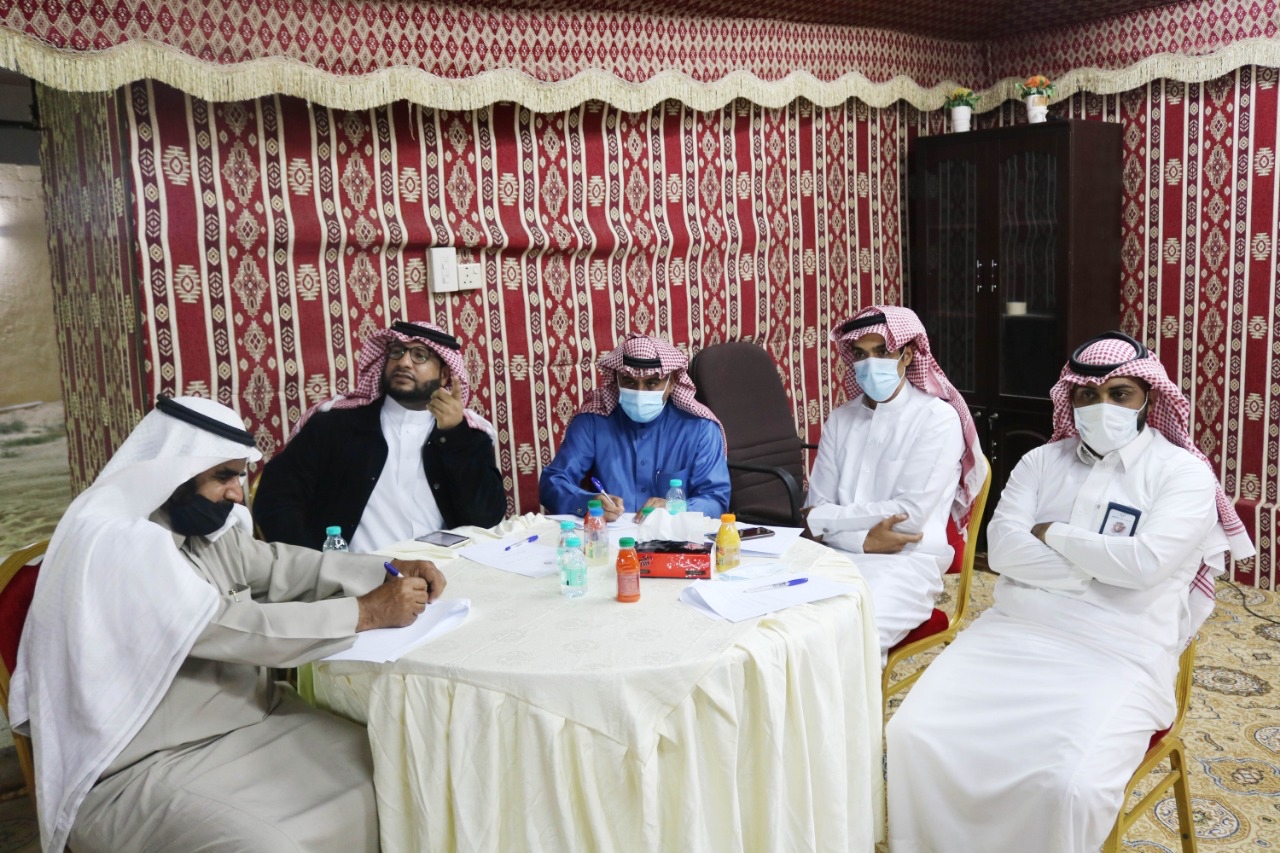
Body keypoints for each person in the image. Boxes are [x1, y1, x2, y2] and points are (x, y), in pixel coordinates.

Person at [8, 395, 448, 853]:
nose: (238, 493)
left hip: (253, 716)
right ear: (176, 472)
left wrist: (384, 570)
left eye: (239, 475)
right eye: (224, 476)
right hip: (146, 762)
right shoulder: (120, 543)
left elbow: (277, 566)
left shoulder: (198, 525)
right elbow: (233, 626)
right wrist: (368, 612)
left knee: (404, 770)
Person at [886, 331, 1255, 853]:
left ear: (1148, 397)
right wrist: (1096, 571)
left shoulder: (1184, 474)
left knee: (1068, 786)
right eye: (1088, 395)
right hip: (1011, 634)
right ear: (1071, 399)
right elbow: (1003, 550)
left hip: (1121, 652)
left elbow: (1146, 565)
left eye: (1119, 394)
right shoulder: (1041, 462)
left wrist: (1051, 533)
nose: (1103, 406)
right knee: (912, 736)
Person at [804, 305, 987, 658]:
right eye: (861, 354)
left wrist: (829, 522)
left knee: (848, 640)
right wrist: (862, 539)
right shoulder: (841, 419)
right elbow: (814, 513)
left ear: (907, 355)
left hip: (906, 563)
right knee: (785, 633)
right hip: (832, 556)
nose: (870, 364)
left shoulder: (937, 418)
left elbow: (908, 518)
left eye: (882, 352)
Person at [255, 320, 506, 552]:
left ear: (444, 375)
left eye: (420, 355)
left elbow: (485, 519)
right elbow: (276, 499)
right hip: (357, 574)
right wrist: (316, 564)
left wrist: (455, 436)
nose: (404, 362)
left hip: (444, 568)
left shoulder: (468, 435)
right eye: (397, 351)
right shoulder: (335, 425)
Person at [539, 332, 731, 521]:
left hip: (675, 537)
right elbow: (551, 483)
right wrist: (588, 502)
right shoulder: (592, 421)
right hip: (608, 536)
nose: (639, 392)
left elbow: (716, 499)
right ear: (617, 379)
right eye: (629, 382)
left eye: (651, 383)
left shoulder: (700, 428)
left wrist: (677, 508)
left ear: (671, 382)